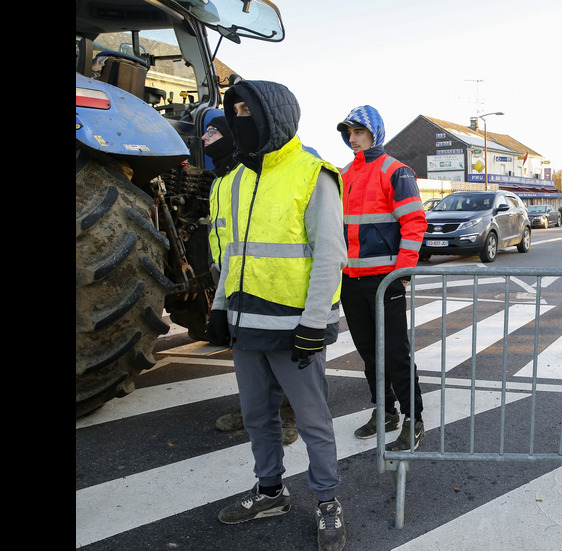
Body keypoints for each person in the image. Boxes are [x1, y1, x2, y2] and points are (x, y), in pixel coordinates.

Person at [209, 80, 347, 551]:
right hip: (246, 326)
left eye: (250, 109)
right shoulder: (232, 180)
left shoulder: (313, 174)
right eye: (236, 109)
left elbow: (330, 255)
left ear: (276, 115)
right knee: (257, 416)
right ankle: (270, 491)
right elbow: (230, 254)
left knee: (312, 421)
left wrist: (313, 323)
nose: (240, 117)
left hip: (295, 329)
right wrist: (218, 308)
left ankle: (328, 502)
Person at [202, 112, 298, 446]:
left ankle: (287, 415)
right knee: (249, 356)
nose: (203, 139)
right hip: (231, 275)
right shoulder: (220, 181)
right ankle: (253, 411)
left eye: (211, 132)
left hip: (268, 278)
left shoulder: (251, 177)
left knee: (277, 354)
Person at [336, 105, 428, 452]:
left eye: (358, 132)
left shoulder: (396, 171)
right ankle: (385, 411)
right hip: (351, 280)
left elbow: (414, 223)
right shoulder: (345, 173)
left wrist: (401, 273)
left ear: (375, 133)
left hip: (383, 280)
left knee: (395, 354)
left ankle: (413, 419)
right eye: (349, 133)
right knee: (370, 354)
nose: (352, 138)